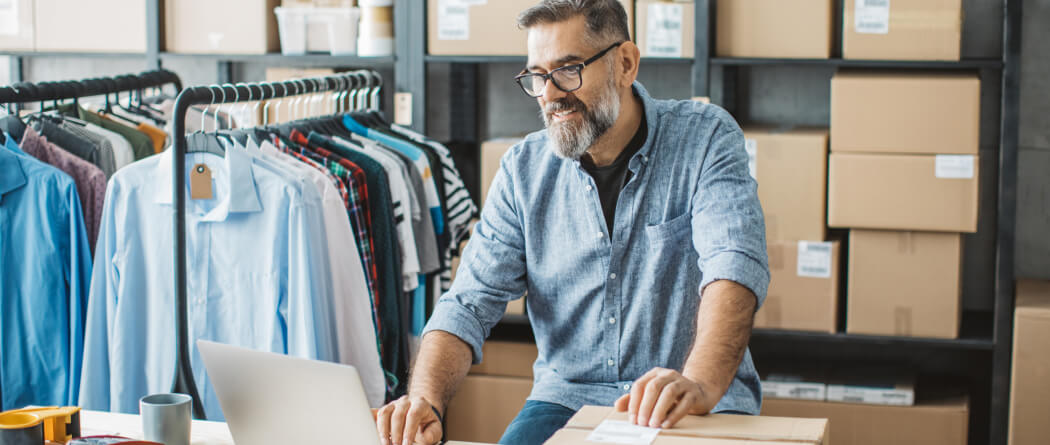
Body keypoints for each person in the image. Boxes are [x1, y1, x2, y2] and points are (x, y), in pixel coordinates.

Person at [374, 1, 769, 444]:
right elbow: (468, 301)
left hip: (688, 397)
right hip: (566, 400)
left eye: (568, 70)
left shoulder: (706, 138)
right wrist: (424, 399)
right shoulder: (523, 170)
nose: (550, 93)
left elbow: (732, 265)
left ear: (625, 63)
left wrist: (700, 382)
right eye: (537, 76)